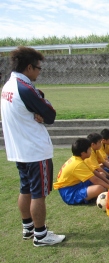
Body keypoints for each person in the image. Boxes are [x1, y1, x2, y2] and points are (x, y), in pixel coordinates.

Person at [0, 46, 65, 246]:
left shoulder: (7, 87)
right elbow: (50, 115)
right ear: (29, 67)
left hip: (19, 149)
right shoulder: (25, 88)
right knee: (38, 194)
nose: (39, 72)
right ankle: (41, 234)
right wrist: (42, 106)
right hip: (35, 150)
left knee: (25, 189)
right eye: (38, 68)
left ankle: (28, 227)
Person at [54, 138, 109, 205]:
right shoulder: (78, 164)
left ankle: (93, 194)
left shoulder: (78, 159)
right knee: (99, 188)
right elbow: (95, 180)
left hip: (77, 184)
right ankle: (91, 197)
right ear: (83, 153)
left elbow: (95, 173)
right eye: (89, 149)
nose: (91, 151)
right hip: (69, 192)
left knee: (102, 174)